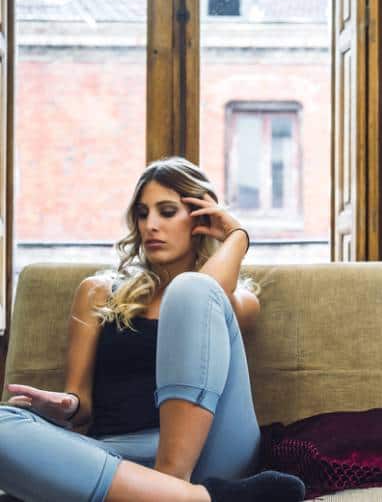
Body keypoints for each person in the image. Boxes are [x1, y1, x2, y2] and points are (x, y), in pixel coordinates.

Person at [0, 157, 305, 502]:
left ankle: (163, 483)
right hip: (115, 454)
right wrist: (67, 405)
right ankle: (191, 498)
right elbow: (81, 405)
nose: (150, 226)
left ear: (200, 220)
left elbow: (200, 294)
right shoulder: (98, 293)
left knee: (189, 289)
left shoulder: (237, 301)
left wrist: (237, 235)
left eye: (167, 211)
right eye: (143, 214)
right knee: (3, 424)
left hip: (212, 451)